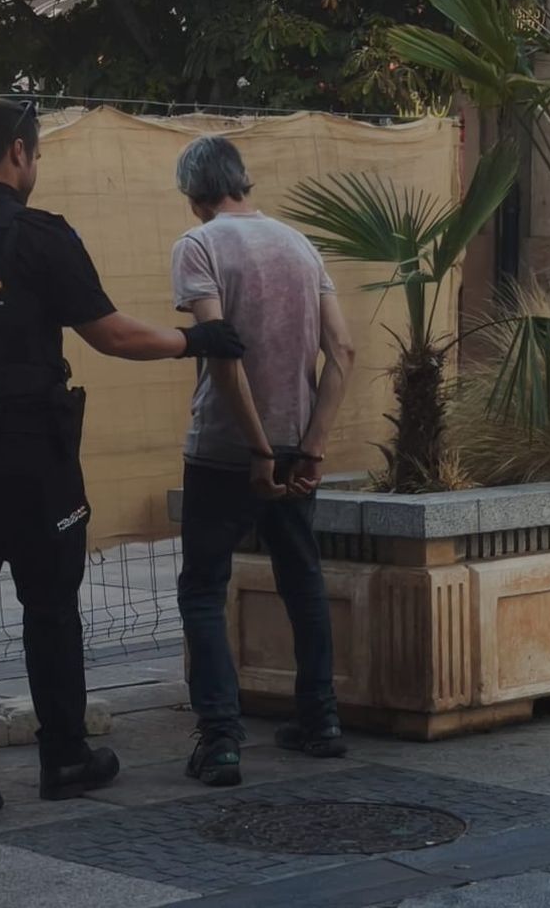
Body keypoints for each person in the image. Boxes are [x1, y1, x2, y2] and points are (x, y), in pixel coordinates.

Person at [0, 98, 245, 826]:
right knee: (49, 605)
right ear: (18, 153)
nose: (34, 167)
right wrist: (195, 342)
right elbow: (110, 335)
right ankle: (65, 758)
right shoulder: (39, 235)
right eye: (34, 155)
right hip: (29, 457)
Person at [170, 135, 356, 788]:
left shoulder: (198, 245)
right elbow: (346, 351)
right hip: (295, 439)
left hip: (225, 447)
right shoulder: (301, 244)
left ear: (194, 194)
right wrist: (311, 447)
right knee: (302, 577)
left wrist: (255, 449)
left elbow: (222, 353)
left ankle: (221, 740)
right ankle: (321, 720)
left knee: (202, 586)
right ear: (243, 181)